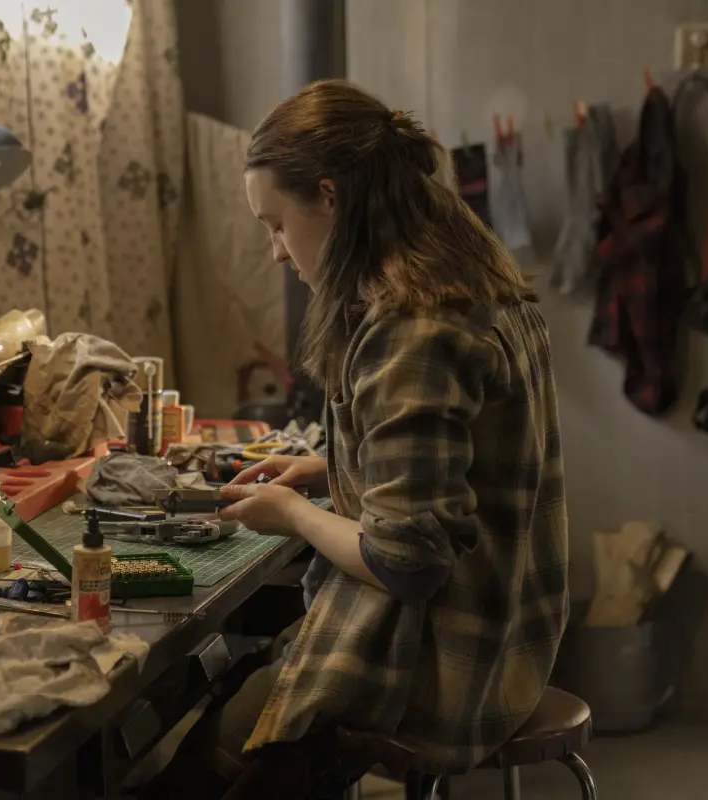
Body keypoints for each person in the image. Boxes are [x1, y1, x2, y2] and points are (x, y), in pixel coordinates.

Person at [145, 80, 569, 800]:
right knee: (244, 682)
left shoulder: (413, 328)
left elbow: (408, 562)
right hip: (516, 637)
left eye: (278, 225)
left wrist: (293, 515)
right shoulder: (472, 281)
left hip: (451, 664)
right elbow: (455, 463)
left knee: (204, 763)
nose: (276, 252)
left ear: (331, 198)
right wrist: (323, 469)